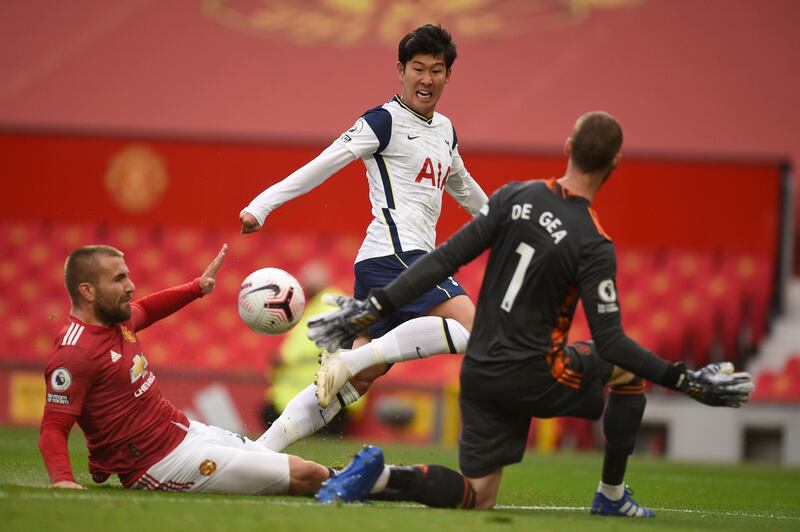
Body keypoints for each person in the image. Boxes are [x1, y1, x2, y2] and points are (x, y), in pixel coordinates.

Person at [308, 111, 755, 514]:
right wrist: (685, 380)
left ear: (567, 148)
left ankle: (385, 476)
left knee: (477, 495)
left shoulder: (511, 198)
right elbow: (612, 342)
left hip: (481, 370)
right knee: (625, 372)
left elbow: (442, 260)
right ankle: (613, 496)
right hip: (535, 372)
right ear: (615, 165)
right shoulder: (593, 242)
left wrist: (370, 310)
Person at [240, 24, 486, 452]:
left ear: (448, 75)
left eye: (436, 70)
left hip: (391, 261)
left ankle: (259, 450)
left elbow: (463, 186)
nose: (426, 79)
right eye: (417, 69)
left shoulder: (445, 130)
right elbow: (324, 163)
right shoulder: (383, 121)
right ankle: (351, 356)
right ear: (400, 70)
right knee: (476, 329)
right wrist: (262, 205)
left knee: (353, 382)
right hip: (396, 255)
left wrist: (509, 223)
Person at [38, 243, 355, 496]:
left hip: (184, 432)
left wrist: (196, 288)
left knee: (288, 462)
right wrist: (63, 480)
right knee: (305, 474)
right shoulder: (74, 354)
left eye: (128, 276)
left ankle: (382, 481)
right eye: (119, 279)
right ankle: (380, 484)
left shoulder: (118, 322)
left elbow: (148, 308)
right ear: (87, 291)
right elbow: (53, 427)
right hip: (159, 464)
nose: (131, 285)